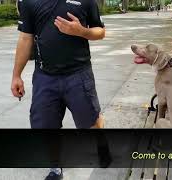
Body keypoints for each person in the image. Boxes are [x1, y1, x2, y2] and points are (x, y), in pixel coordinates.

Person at [12, 0, 105, 179]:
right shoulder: (28, 2)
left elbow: (100, 31)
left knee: (91, 122)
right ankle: (55, 166)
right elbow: (25, 38)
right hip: (45, 77)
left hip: (79, 74)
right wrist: (16, 75)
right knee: (45, 126)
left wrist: (82, 31)